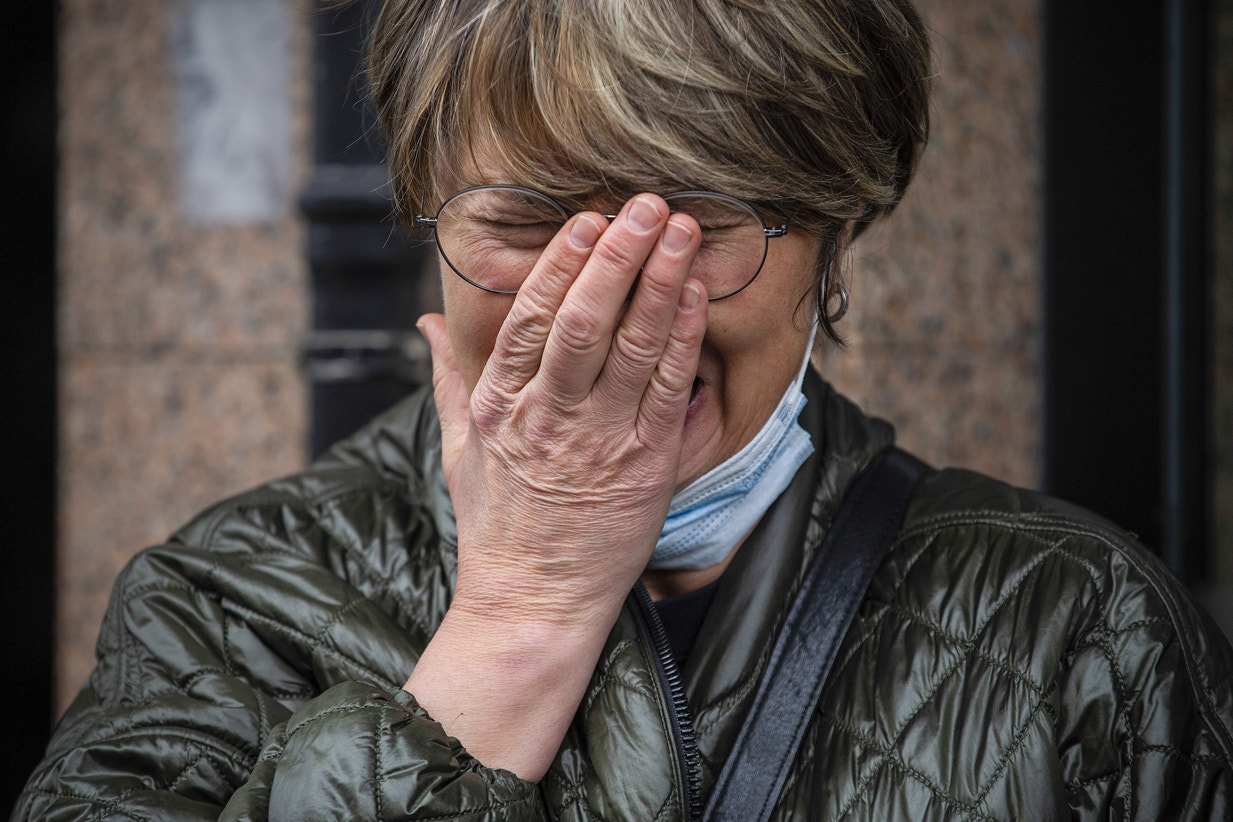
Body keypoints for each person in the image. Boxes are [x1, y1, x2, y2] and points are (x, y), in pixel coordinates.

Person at [15, 0, 1233, 818]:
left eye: (704, 218)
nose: (606, 304)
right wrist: (519, 621)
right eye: (527, 220)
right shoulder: (221, 604)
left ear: (835, 236)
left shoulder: (1085, 628)